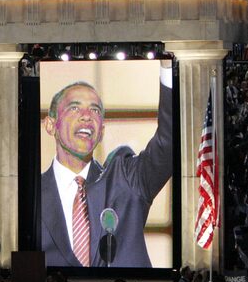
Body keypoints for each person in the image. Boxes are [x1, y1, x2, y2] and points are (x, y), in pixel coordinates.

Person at [40, 59, 173, 267]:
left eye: (95, 110)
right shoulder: (32, 194)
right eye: (74, 108)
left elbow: (168, 145)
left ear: (101, 131)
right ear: (50, 125)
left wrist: (167, 67)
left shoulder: (127, 180)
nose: (86, 117)